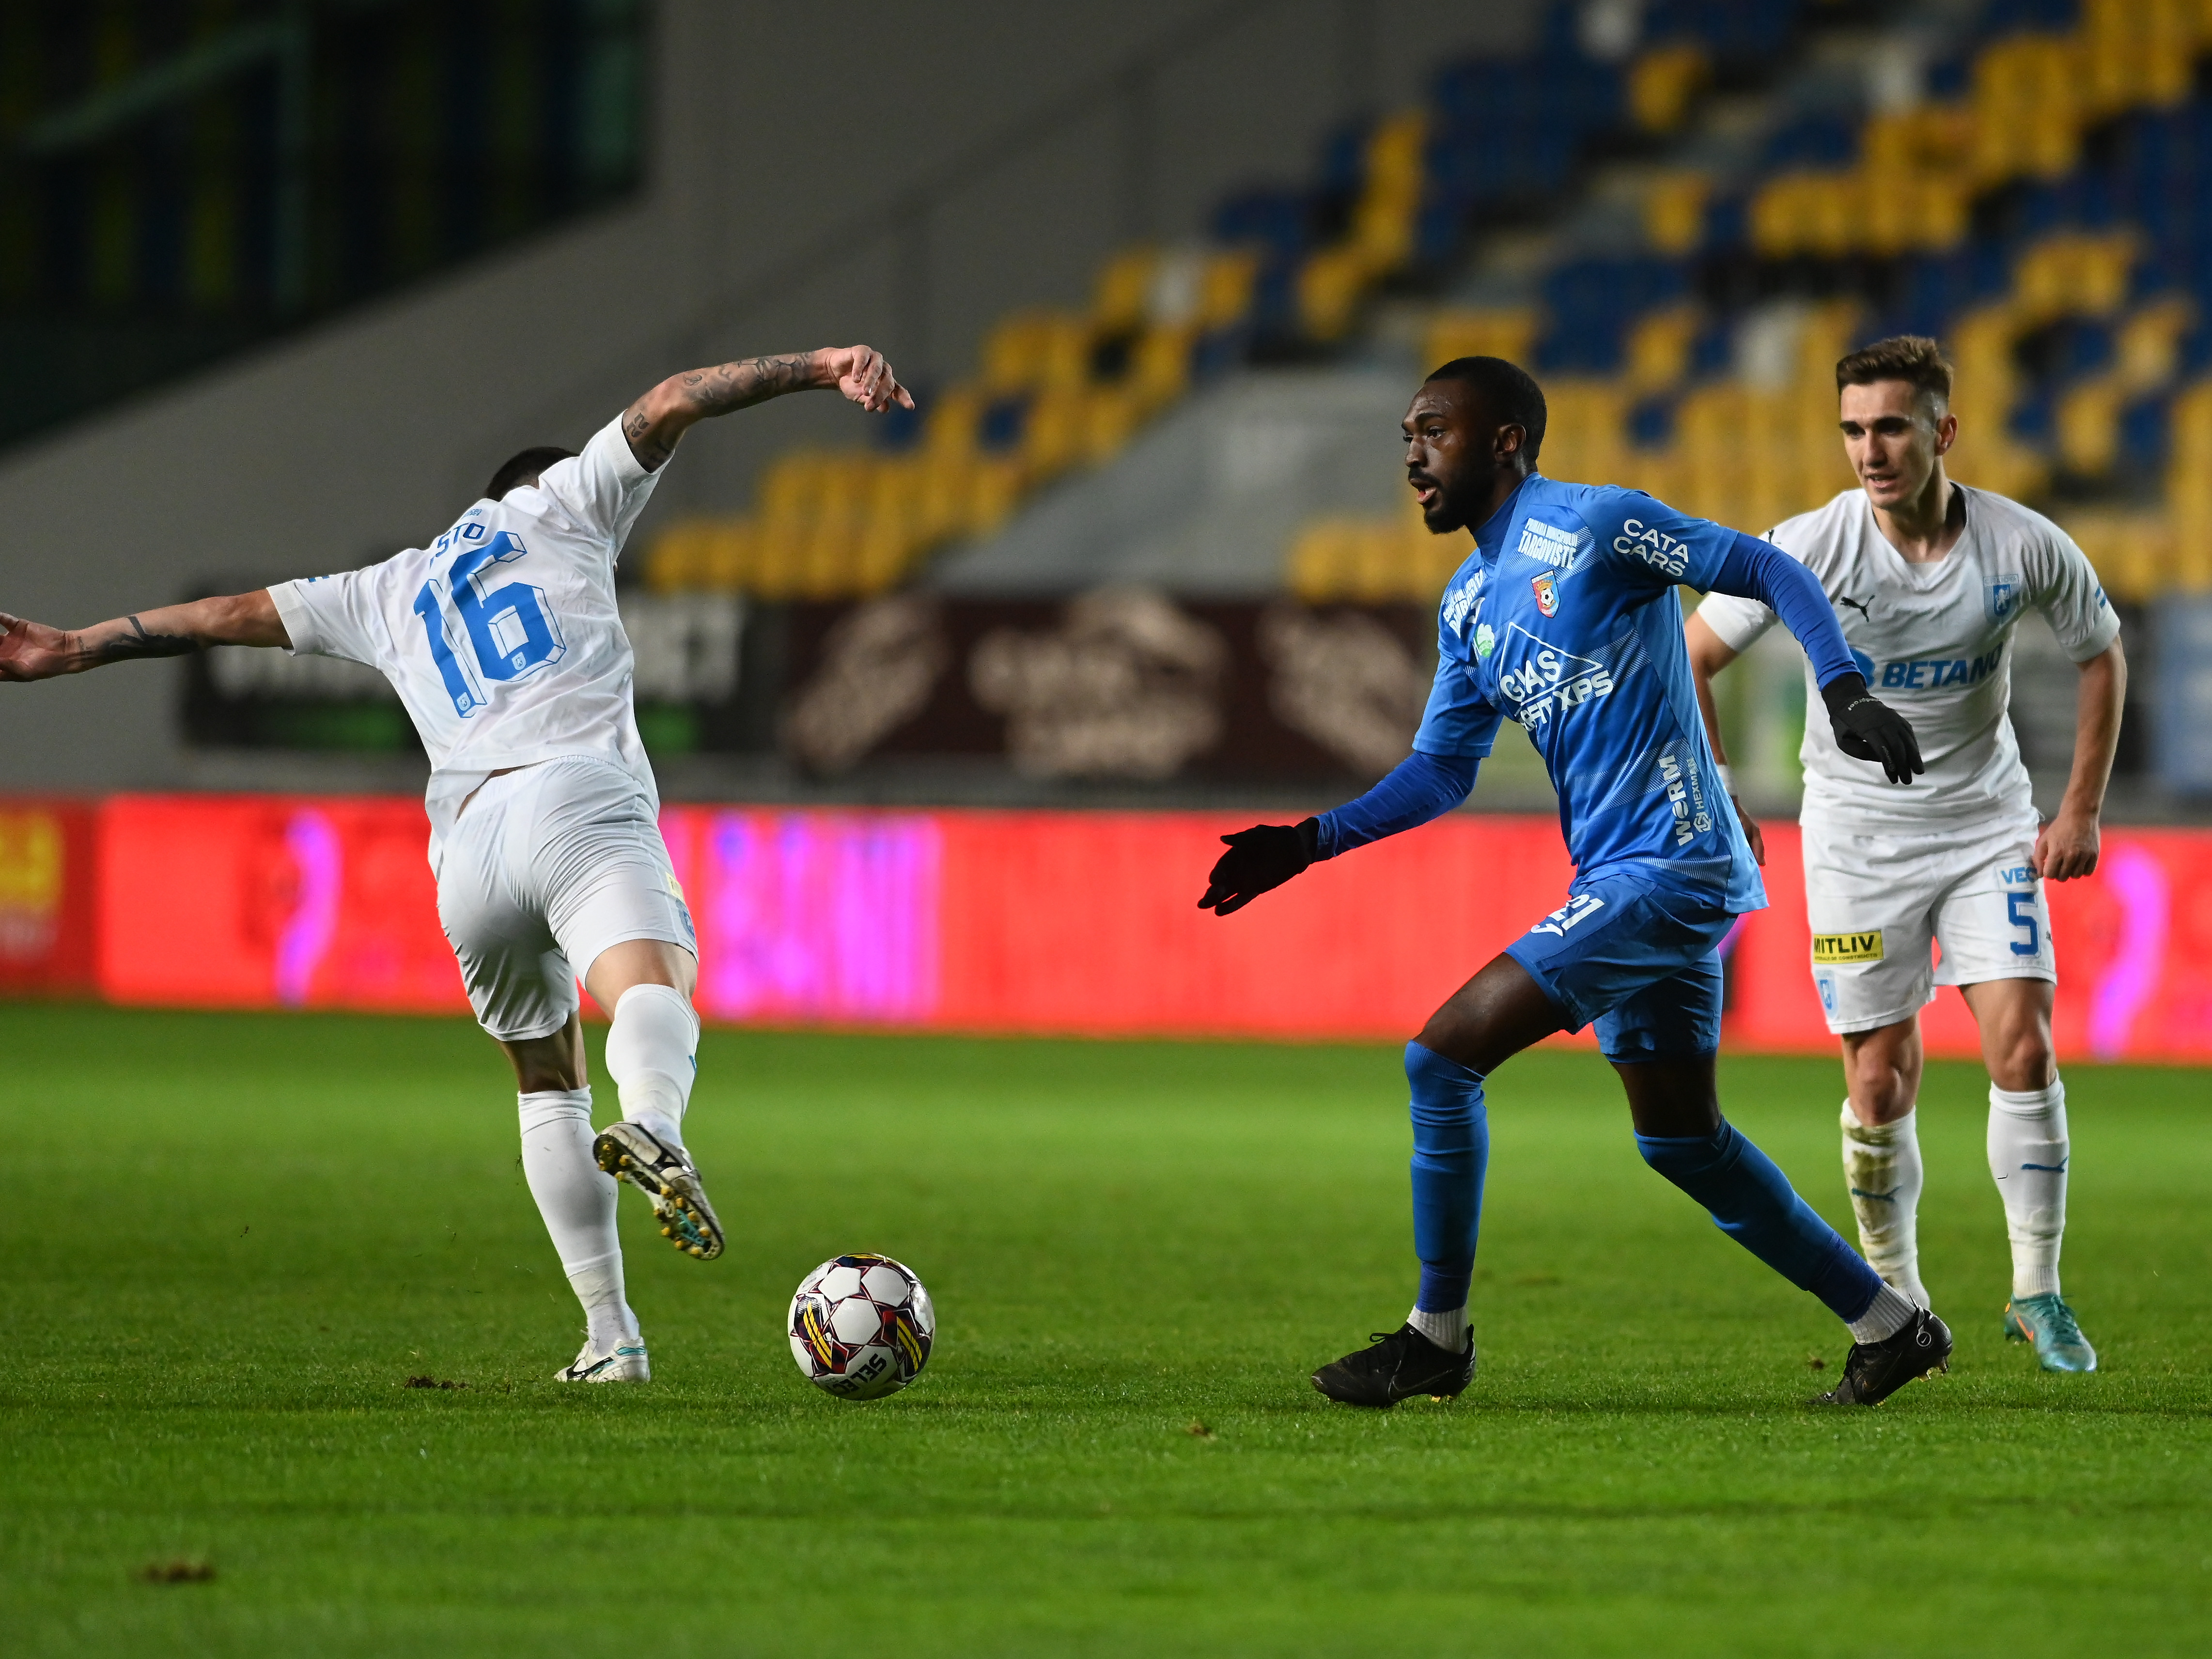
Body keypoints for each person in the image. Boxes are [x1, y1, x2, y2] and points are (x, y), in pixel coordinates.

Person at [0, 343, 913, 1383]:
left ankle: (611, 1339)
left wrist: (72, 646)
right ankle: (657, 1124)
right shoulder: (564, 504)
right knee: (652, 984)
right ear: (544, 481)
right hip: (574, 792)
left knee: (544, 1081)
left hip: (470, 849)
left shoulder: (391, 586)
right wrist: (821, 365)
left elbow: (224, 617)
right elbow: (672, 404)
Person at [1199, 355, 1946, 1409]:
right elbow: (1443, 769)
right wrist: (1310, 841)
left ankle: (1436, 1338)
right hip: (1631, 873)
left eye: (1434, 430)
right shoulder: (1468, 603)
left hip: (1671, 866)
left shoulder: (1599, 527)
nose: (1412, 452)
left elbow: (1772, 570)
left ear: (1503, 438)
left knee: (1440, 1059)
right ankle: (1890, 1326)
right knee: (1684, 1142)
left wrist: (1845, 688)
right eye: (1406, 435)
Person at [1685, 335, 2122, 1373]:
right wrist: (1721, 798)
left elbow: (2100, 652)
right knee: (1879, 1082)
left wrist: (2080, 811)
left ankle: (2039, 1293)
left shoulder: (2022, 546)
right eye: (1852, 429)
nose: (1870, 450)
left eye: (1889, 426)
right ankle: (1905, 1302)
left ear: (1942, 430)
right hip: (1855, 841)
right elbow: (1692, 658)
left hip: (1984, 827)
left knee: (2024, 1048)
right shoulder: (1807, 548)